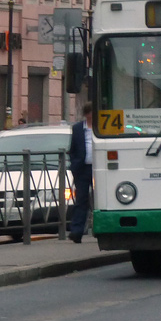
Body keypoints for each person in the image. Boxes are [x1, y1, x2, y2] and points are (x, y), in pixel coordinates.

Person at [68, 102, 94, 243]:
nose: (92, 116)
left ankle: (99, 228)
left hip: (98, 168)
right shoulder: (78, 128)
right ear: (86, 114)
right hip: (82, 169)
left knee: (100, 200)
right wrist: (74, 164)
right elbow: (72, 148)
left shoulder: (101, 127)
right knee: (81, 200)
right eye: (90, 113)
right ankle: (76, 231)